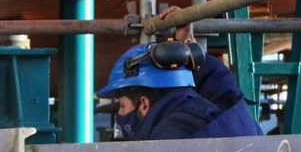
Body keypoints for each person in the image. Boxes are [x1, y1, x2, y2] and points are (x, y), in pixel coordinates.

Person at [98, 38, 264, 141]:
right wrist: (188, 49)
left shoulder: (166, 142)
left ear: (144, 104)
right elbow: (221, 87)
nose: (120, 115)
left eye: (122, 106)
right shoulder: (228, 117)